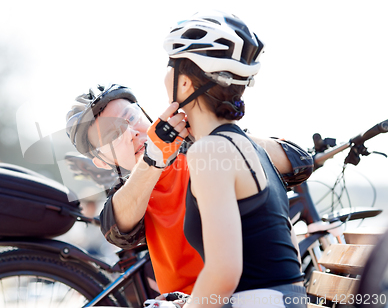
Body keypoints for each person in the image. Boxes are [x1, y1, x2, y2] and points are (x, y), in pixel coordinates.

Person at [65, 83, 313, 300]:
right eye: (113, 134)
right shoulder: (132, 194)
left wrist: (218, 132)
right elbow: (117, 231)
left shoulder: (208, 152)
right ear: (101, 161)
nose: (131, 133)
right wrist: (153, 159)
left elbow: (299, 162)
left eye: (131, 118)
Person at [161, 10, 307, 307]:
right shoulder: (247, 146)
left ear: (186, 82)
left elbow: (224, 273)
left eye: (170, 65)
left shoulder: (210, 151)